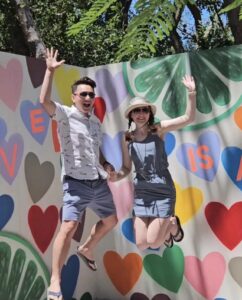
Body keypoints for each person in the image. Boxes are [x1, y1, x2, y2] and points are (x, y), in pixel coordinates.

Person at [39, 48, 117, 300]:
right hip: (75, 184)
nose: (87, 97)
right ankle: (55, 279)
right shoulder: (65, 114)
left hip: (98, 182)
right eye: (83, 94)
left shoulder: (95, 122)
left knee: (111, 221)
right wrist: (50, 72)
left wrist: (107, 166)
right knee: (69, 225)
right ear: (73, 97)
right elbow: (44, 102)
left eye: (91, 95)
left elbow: (98, 152)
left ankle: (86, 248)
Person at [109, 75, 196, 250]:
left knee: (155, 242)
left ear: (149, 113)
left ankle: (173, 225)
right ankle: (170, 226)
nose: (141, 114)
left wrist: (192, 92)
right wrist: (115, 176)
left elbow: (188, 118)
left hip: (163, 191)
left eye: (144, 110)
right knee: (141, 244)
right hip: (142, 193)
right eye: (137, 111)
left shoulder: (158, 129)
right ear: (131, 115)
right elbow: (126, 168)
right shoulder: (127, 138)